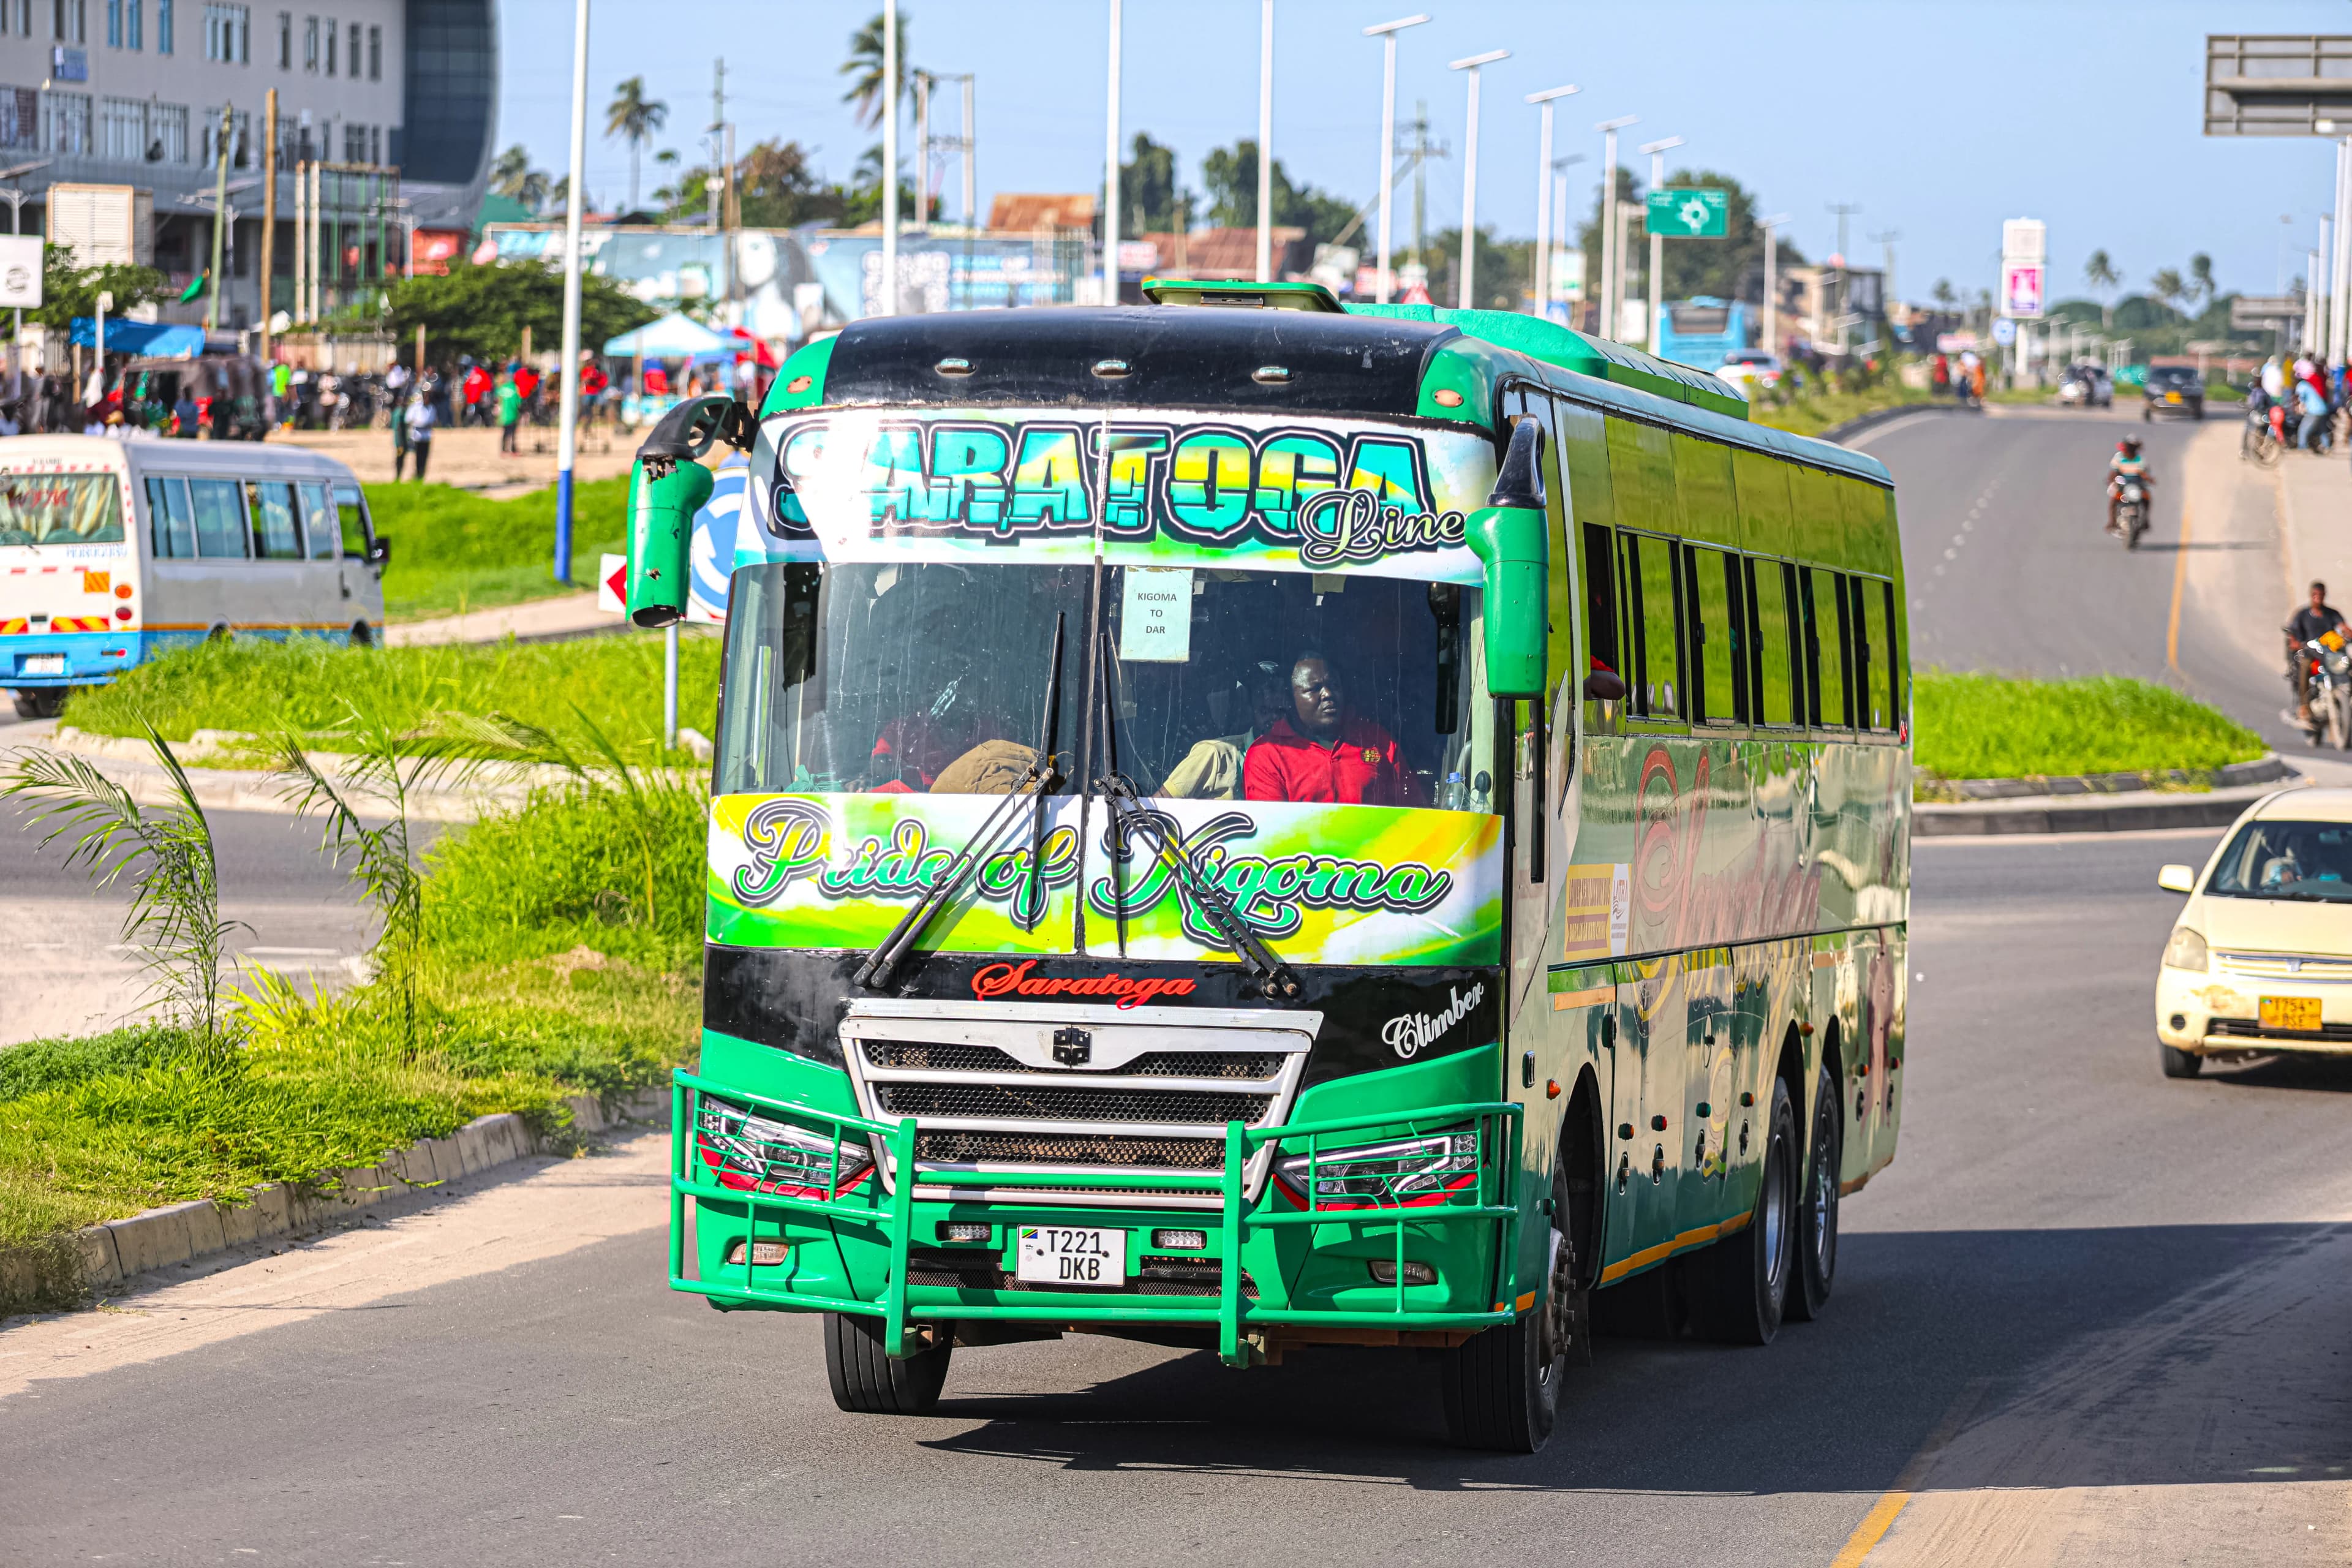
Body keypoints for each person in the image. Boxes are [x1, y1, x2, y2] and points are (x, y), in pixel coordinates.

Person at [1242, 652, 1425, 807]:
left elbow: (1412, 812)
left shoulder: (1378, 740)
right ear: (1290, 699)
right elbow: (1273, 831)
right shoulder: (1266, 755)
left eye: (1334, 686)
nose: (1328, 694)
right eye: (1314, 689)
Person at [2285, 580, 2350, 725]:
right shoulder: (2302, 615)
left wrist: (2348, 634)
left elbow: (2343, 627)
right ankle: (2304, 706)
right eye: (2315, 594)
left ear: (2325, 595)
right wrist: (2295, 643)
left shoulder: (2332, 614)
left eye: (2321, 595)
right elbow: (2292, 632)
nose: (2318, 597)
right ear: (2311, 595)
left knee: (2348, 666)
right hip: (2310, 654)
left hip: (2330, 655)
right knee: (2305, 667)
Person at [2105, 436, 2152, 535]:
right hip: (2122, 486)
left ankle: (2146, 520)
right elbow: (2114, 472)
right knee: (2114, 501)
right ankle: (2112, 522)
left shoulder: (2140, 460)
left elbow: (2143, 473)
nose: (2129, 449)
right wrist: (2112, 480)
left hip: (2136, 487)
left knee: (2147, 498)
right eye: (2128, 446)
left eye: (2132, 447)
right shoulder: (2119, 458)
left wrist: (2149, 479)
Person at [403, 390, 435, 482]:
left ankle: (422, 474)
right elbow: (408, 420)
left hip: (426, 437)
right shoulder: (415, 407)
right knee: (417, 457)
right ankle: (417, 474)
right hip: (416, 437)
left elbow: (432, 421)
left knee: (424, 457)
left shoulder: (432, 408)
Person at [2299, 373, 2332, 451]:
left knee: (2303, 429)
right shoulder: (2312, 386)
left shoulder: (2302, 386)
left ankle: (2302, 447)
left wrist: (2301, 409)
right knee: (2322, 429)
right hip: (2323, 409)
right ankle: (2327, 446)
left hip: (2314, 411)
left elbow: (2301, 400)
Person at [496, 368, 521, 454]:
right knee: (513, 434)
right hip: (513, 414)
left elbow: (498, 400)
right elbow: (519, 402)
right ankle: (513, 450)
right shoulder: (515, 388)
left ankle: (503, 450)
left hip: (503, 415)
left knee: (505, 433)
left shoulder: (502, 388)